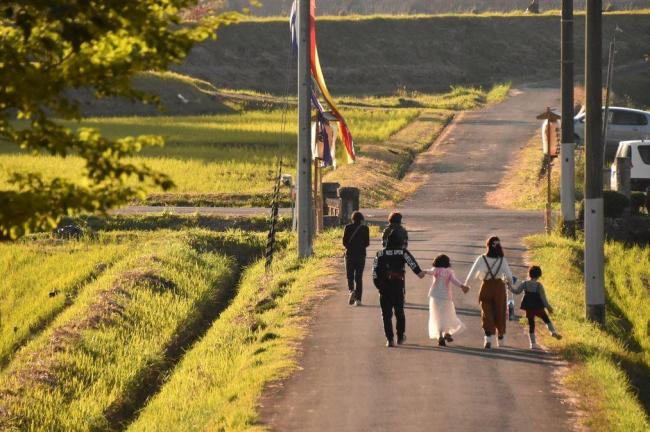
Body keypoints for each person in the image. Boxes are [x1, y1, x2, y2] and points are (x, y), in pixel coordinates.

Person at [372, 231, 425, 347]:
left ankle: (389, 339)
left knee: (386, 314)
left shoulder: (379, 253)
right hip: (397, 287)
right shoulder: (402, 252)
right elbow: (412, 263)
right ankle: (400, 337)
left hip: (384, 288)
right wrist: (420, 273)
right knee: (399, 312)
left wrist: (379, 286)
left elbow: (374, 272)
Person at [465, 236, 514, 349]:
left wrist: (467, 285)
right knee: (500, 312)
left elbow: (472, 274)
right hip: (499, 287)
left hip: (486, 286)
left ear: (487, 246)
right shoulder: (502, 259)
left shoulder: (481, 258)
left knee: (486, 312)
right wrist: (511, 284)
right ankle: (501, 338)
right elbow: (510, 276)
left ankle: (488, 339)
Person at [509, 265, 562, 349]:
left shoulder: (524, 284)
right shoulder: (539, 285)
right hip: (538, 307)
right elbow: (544, 299)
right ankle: (552, 331)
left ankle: (533, 344)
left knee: (531, 324)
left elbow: (516, 292)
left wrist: (509, 287)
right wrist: (549, 307)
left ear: (530, 274)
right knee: (546, 319)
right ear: (539, 275)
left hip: (529, 307)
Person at [423, 254, 470, 346]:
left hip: (435, 296)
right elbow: (454, 280)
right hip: (446, 297)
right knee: (447, 315)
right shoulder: (449, 272)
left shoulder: (436, 270)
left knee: (437, 315)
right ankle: (447, 333)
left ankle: (440, 336)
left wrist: (423, 271)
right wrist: (462, 286)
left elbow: (430, 272)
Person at [342, 211, 370, 306]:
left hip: (349, 255)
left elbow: (344, 242)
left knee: (350, 276)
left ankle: (351, 291)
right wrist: (360, 246)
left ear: (352, 219)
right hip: (361, 255)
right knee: (358, 277)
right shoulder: (365, 228)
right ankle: (358, 300)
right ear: (361, 219)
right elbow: (367, 243)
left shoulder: (347, 227)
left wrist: (350, 247)